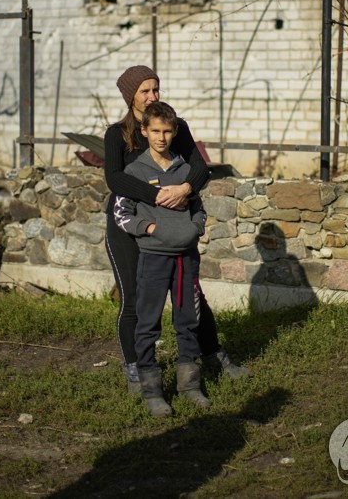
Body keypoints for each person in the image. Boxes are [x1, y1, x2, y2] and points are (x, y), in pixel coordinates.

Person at [103, 64, 249, 394]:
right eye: (145, 91)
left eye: (156, 89)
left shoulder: (174, 126)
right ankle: (136, 371)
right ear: (131, 97)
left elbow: (200, 170)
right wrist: (156, 194)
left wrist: (184, 190)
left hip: (172, 224)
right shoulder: (118, 134)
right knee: (134, 298)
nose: (153, 96)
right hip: (129, 226)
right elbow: (114, 179)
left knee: (191, 295)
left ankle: (214, 355)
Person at [115, 101, 212, 417]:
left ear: (175, 132)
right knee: (148, 323)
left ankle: (189, 384)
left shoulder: (185, 170)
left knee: (187, 320)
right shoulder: (135, 172)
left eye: (168, 131)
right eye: (155, 130)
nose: (161, 137)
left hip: (186, 259)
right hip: (154, 259)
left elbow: (198, 208)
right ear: (144, 131)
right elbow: (122, 214)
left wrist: (195, 227)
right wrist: (150, 227)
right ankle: (152, 390)